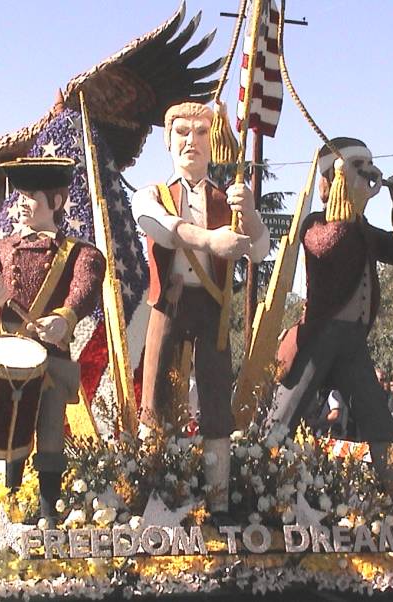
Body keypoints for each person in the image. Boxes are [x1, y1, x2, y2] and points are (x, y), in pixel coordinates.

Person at [266, 137, 393, 543]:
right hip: (318, 339)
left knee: (378, 422)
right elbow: (329, 246)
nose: (368, 171)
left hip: (352, 344)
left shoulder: (362, 230)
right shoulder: (317, 224)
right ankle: (256, 497)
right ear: (332, 179)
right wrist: (348, 206)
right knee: (282, 419)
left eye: (370, 164)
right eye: (357, 165)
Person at [131, 101, 270, 523]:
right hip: (168, 305)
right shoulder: (152, 194)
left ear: (214, 143)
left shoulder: (228, 199)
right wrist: (212, 240)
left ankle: (220, 501)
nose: (192, 141)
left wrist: (250, 217)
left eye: (202, 133)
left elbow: (260, 251)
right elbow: (157, 226)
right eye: (183, 133)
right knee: (153, 400)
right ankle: (145, 493)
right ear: (168, 141)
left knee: (215, 405)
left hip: (213, 310)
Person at [0, 157, 105, 527]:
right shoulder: (1, 247)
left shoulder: (78, 252)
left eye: (32, 195)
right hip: (12, 356)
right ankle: (10, 500)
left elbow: (87, 286)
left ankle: (48, 509)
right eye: (19, 195)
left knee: (51, 432)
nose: (22, 202)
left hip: (52, 357)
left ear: (56, 201)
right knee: (13, 430)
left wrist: (65, 317)